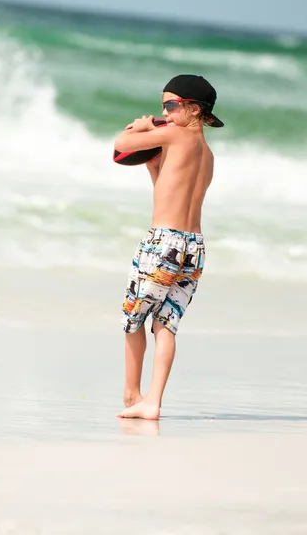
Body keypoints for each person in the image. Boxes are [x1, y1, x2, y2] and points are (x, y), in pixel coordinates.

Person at [113, 74, 224, 420]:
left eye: (171, 106)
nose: (164, 112)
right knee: (165, 323)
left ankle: (132, 395)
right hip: (194, 248)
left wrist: (141, 127)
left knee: (133, 318)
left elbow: (120, 143)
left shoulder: (175, 134)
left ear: (193, 110)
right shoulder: (207, 155)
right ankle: (154, 402)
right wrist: (153, 170)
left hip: (163, 243)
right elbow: (173, 194)